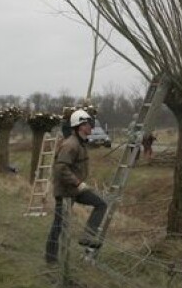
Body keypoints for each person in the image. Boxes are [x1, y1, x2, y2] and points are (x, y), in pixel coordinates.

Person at [45, 109, 108, 264]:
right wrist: (78, 183)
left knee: (101, 204)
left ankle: (87, 236)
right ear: (80, 126)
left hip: (75, 189)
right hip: (66, 191)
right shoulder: (70, 144)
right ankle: (51, 259)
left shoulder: (80, 143)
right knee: (59, 225)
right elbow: (60, 169)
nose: (91, 126)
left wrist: (78, 184)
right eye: (88, 124)